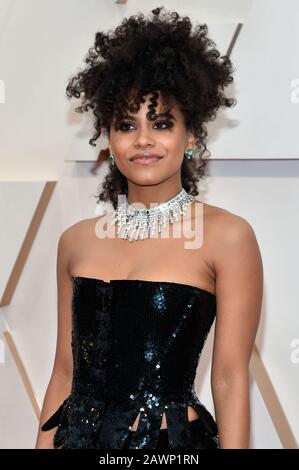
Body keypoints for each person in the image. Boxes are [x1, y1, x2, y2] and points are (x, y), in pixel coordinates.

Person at [35, 6, 263, 449]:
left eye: (161, 124)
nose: (143, 140)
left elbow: (232, 378)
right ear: (108, 138)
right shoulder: (75, 241)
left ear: (191, 134)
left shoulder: (228, 237)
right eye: (126, 124)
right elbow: (65, 372)